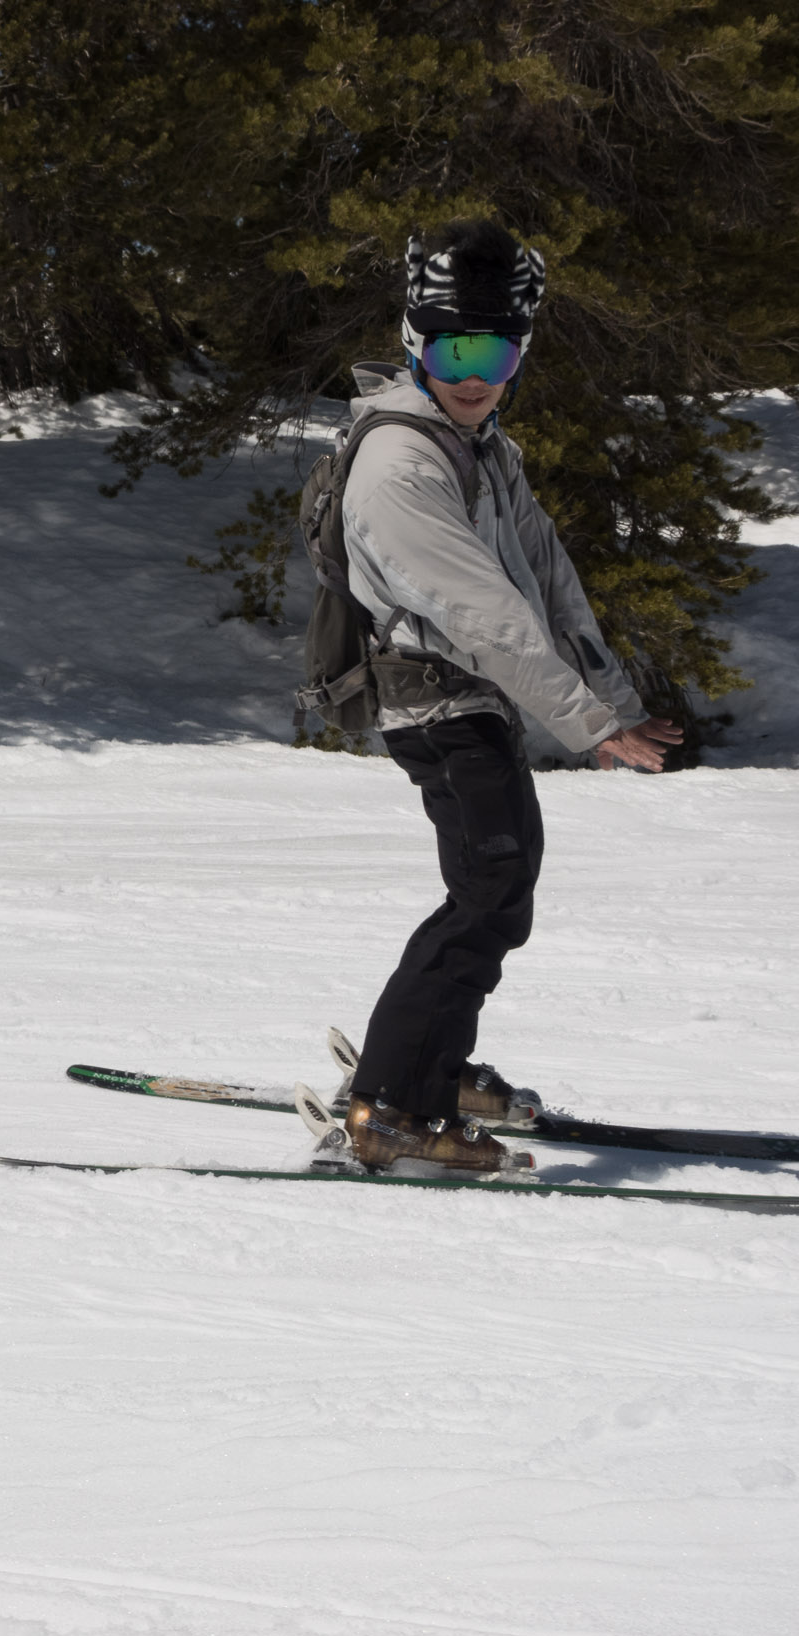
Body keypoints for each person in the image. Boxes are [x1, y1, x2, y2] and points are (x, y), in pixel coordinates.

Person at [328, 220, 682, 1175]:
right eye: (453, 348)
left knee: (492, 886)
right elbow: (486, 614)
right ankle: (392, 1106)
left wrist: (611, 697)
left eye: (495, 348)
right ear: (416, 342)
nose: (473, 371)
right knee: (491, 889)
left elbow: (545, 579)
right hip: (436, 698)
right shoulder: (401, 462)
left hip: (471, 697)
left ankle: (430, 1068)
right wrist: (589, 725)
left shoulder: (482, 445)